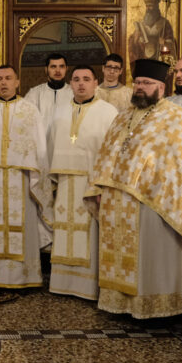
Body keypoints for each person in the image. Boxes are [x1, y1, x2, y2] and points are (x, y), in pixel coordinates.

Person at [86, 58, 182, 319]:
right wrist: (99, 187)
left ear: (161, 88)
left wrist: (148, 185)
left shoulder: (177, 118)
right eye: (137, 83)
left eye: (147, 83)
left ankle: (157, 309)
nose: (140, 87)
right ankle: (121, 305)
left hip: (155, 203)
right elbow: (107, 153)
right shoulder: (122, 117)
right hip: (117, 200)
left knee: (151, 257)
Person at [0, 65, 52, 289]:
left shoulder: (30, 110)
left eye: (8, 78)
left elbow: (40, 148)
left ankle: (25, 278)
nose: (3, 82)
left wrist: (38, 177)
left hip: (22, 180)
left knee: (23, 226)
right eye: (0, 78)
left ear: (17, 82)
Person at [47, 65, 117, 300]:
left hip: (91, 184)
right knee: (63, 229)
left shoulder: (108, 112)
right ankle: (62, 283)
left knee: (89, 234)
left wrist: (103, 184)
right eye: (76, 79)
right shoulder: (59, 111)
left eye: (86, 79)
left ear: (96, 83)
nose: (81, 83)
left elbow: (112, 151)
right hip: (64, 182)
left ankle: (88, 287)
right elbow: (51, 144)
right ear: (71, 84)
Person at [24, 53, 73, 156]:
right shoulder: (34, 94)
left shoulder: (74, 93)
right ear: (46, 69)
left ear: (66, 69)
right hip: (41, 149)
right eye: (53, 67)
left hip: (67, 148)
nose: (58, 71)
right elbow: (26, 122)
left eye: (61, 66)